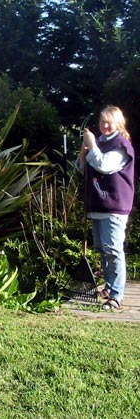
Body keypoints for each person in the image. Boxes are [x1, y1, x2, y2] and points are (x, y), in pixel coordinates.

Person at [77, 105, 135, 310]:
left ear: (119, 123)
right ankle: (109, 288)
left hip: (114, 206)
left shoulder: (121, 145)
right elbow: (85, 169)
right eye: (103, 121)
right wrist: (83, 154)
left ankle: (117, 295)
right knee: (102, 249)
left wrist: (92, 146)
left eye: (110, 121)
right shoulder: (100, 142)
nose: (105, 125)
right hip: (98, 205)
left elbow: (104, 166)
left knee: (113, 249)